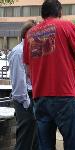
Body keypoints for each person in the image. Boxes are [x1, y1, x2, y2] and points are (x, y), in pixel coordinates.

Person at [23, 0, 75, 150]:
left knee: (45, 145)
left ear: (43, 13)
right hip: (64, 95)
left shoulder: (30, 34)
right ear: (59, 12)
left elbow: (28, 71)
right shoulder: (66, 26)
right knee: (73, 144)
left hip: (40, 96)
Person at [8, 20, 39, 150]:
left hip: (34, 97)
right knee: (25, 138)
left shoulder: (34, 51)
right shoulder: (18, 52)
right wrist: (26, 103)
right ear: (28, 34)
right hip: (25, 99)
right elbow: (18, 82)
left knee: (35, 137)